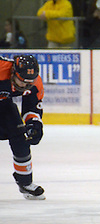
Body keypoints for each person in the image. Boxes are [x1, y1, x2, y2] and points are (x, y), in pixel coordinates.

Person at [0, 55, 45, 200]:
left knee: (20, 138)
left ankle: (25, 183)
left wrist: (34, 125)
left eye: (29, 83)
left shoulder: (35, 81)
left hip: (4, 104)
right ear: (13, 72)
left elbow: (32, 106)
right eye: (22, 81)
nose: (25, 85)